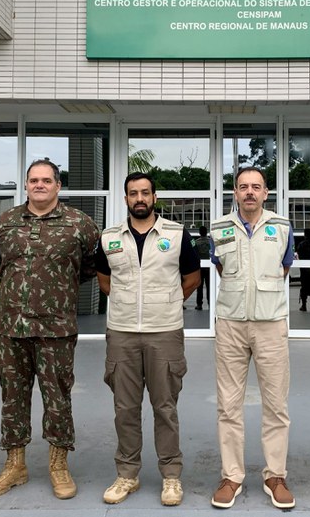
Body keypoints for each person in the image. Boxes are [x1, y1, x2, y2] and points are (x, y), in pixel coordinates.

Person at [0, 159, 100, 500]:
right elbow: (0, 261)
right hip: (11, 329)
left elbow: (89, 267)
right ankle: (15, 466)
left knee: (58, 399)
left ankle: (59, 466)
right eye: (33, 180)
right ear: (27, 184)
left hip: (56, 330)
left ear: (58, 186)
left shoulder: (80, 224)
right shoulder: (5, 223)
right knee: (12, 399)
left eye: (47, 180)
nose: (39, 185)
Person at [96, 172, 200, 506]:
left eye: (144, 193)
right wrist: (130, 305)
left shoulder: (176, 234)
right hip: (122, 334)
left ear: (155, 197)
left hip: (164, 333)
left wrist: (165, 302)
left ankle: (171, 475)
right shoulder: (109, 238)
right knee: (125, 408)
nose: (139, 199)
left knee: (165, 408)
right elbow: (104, 280)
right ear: (125, 199)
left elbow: (192, 278)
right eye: (132, 194)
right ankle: (127, 474)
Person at [209, 167, 296, 510]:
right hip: (230, 324)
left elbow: (284, 268)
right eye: (243, 187)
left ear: (266, 192)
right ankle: (232, 476)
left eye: (255, 187)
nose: (249, 192)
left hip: (271, 324)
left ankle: (275, 475)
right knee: (229, 405)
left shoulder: (283, 227)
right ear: (235, 192)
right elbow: (220, 269)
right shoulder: (219, 229)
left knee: (276, 405)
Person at [194, 225, 211, 310]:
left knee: (199, 287)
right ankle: (210, 303)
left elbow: (194, 254)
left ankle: (199, 304)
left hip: (200, 267)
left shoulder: (196, 242)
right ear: (206, 232)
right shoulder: (211, 241)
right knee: (209, 286)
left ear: (199, 233)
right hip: (209, 267)